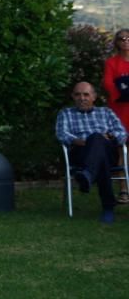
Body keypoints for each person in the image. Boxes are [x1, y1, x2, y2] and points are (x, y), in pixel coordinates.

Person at [56, 81, 128, 223]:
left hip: (107, 150)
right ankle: (108, 208)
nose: (82, 98)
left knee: (97, 141)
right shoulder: (66, 113)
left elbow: (122, 133)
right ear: (73, 96)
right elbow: (62, 134)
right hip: (80, 152)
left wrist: (110, 136)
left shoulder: (106, 112)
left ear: (94, 97)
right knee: (99, 152)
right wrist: (86, 142)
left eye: (86, 94)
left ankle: (88, 175)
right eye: (77, 94)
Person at [101, 28, 129, 203]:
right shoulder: (112, 62)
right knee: (122, 149)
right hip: (120, 110)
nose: (126, 41)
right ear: (117, 42)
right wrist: (121, 95)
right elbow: (108, 83)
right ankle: (124, 190)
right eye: (122, 38)